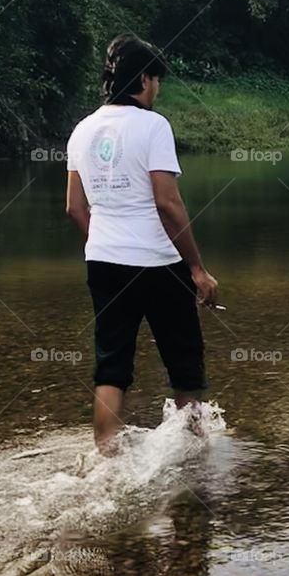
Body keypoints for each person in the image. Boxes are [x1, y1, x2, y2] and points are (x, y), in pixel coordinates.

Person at [66, 35, 219, 451]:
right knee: (184, 364)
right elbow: (167, 203)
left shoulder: (82, 130)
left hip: (103, 262)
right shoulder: (154, 126)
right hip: (158, 263)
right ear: (145, 80)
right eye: (157, 80)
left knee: (111, 365)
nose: (158, 88)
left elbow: (75, 208)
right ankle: (195, 454)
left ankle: (105, 459)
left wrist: (106, 241)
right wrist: (197, 269)